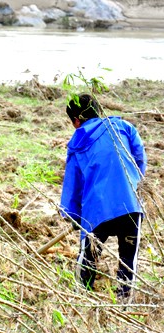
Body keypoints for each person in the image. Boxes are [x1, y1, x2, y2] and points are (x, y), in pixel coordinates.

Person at [60, 93, 147, 301]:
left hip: (97, 211)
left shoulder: (77, 141)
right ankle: (125, 304)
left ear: (77, 120)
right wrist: (132, 185)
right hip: (130, 205)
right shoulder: (124, 128)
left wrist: (72, 215)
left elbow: (73, 185)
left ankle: (82, 301)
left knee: (87, 259)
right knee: (128, 261)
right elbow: (140, 160)